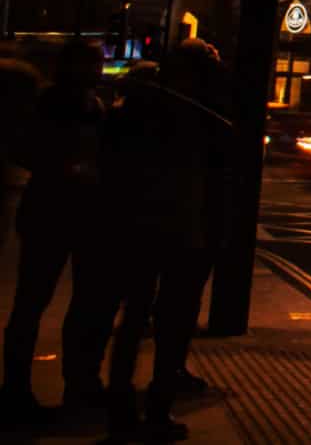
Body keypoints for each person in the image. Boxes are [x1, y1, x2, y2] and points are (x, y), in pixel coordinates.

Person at [100, 43, 226, 441]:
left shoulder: (134, 111)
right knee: (171, 323)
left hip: (136, 226)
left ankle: (122, 414)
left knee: (134, 318)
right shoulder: (196, 115)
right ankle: (156, 411)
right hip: (178, 227)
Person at [0, 39, 110, 425]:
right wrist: (64, 167)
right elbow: (24, 149)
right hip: (56, 210)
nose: (99, 70)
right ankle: (29, 388)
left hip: (64, 211)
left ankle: (48, 385)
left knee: (45, 303)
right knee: (39, 303)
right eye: (94, 63)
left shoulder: (88, 104)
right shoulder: (57, 105)